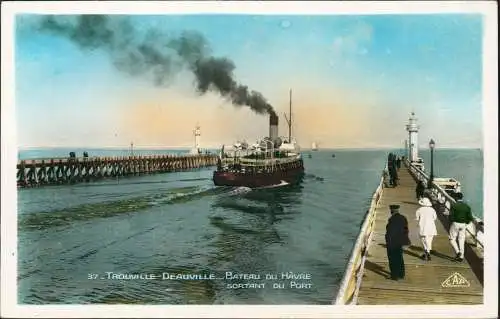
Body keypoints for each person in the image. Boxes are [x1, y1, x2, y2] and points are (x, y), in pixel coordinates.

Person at [385, 204, 410, 280]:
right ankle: (401, 274)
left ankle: (394, 275)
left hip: (392, 242)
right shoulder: (403, 218)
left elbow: (389, 232)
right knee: (399, 257)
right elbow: (406, 230)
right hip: (400, 242)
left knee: (392, 259)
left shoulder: (391, 220)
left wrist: (387, 240)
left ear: (392, 211)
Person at [448, 192, 473, 262]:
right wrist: (466, 223)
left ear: (456, 198)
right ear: (462, 198)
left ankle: (457, 252)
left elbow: (451, 216)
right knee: (461, 240)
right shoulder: (467, 206)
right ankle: (461, 257)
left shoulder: (454, 205)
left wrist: (451, 222)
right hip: (463, 225)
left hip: (455, 223)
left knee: (451, 239)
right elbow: (470, 218)